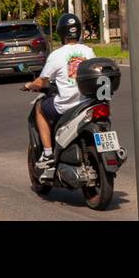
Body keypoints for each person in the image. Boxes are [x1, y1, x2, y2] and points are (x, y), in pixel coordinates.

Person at [22, 12, 94, 180]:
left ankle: (47, 153)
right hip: (87, 102)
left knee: (40, 108)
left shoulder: (57, 55)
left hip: (67, 104)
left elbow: (42, 82)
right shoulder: (89, 51)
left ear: (61, 33)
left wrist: (29, 85)